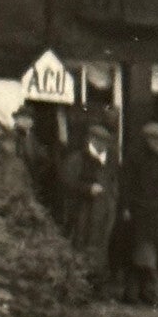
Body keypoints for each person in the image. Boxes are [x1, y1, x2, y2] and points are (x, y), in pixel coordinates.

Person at [119, 121, 158, 306]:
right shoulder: (134, 158)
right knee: (142, 257)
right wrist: (126, 208)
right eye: (155, 139)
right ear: (147, 140)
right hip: (140, 213)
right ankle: (136, 294)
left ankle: (149, 294)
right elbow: (126, 186)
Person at [60, 119, 119, 291]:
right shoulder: (77, 159)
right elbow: (67, 183)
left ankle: (97, 285)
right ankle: (81, 286)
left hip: (105, 209)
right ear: (92, 140)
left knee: (102, 244)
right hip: (83, 210)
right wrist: (87, 189)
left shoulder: (110, 160)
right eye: (100, 141)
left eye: (106, 143)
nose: (104, 146)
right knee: (82, 243)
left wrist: (113, 200)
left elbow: (114, 182)